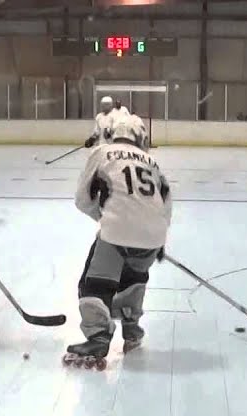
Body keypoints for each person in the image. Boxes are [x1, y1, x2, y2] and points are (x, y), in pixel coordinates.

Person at [63, 109, 172, 367]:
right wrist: (157, 239)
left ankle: (98, 336)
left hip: (116, 230)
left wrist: (108, 218)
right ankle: (132, 327)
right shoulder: (151, 162)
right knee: (133, 276)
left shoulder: (101, 153)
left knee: (93, 284)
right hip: (154, 234)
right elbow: (166, 204)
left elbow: (82, 199)